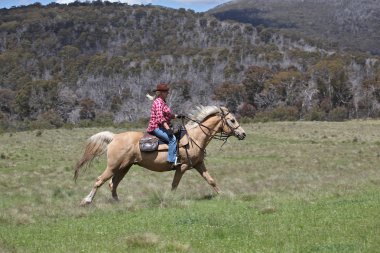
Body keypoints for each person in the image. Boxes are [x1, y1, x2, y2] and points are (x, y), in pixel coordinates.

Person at [146, 83, 184, 165]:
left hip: (161, 126)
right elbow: (161, 118)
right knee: (172, 139)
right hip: (156, 127)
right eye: (166, 92)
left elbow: (168, 115)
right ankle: (171, 160)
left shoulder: (162, 102)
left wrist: (177, 116)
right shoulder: (159, 102)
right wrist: (168, 129)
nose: (167, 93)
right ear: (161, 93)